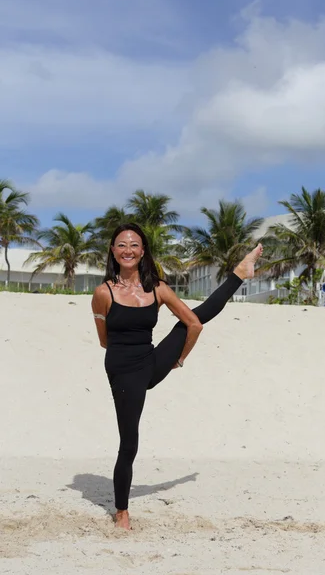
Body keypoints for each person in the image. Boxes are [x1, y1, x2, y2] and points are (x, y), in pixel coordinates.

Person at [91, 223, 263, 530]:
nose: (128, 250)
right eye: (121, 245)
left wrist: (178, 359)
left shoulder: (158, 288)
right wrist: (138, 361)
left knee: (197, 314)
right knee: (129, 441)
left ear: (142, 251)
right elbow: (104, 340)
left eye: (134, 245)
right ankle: (122, 512)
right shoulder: (103, 293)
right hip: (122, 371)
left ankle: (240, 273)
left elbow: (195, 324)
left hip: (151, 360)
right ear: (113, 251)